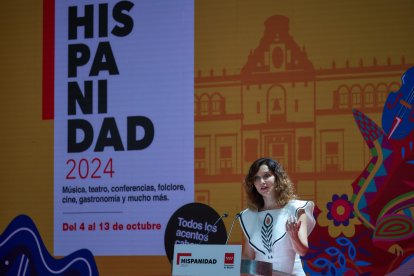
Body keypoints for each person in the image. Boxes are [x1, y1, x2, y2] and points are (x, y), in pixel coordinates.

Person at [239, 157, 315, 275]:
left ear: (278, 178)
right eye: (256, 178)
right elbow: (249, 256)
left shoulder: (297, 209)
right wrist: (224, 264)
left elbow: (303, 250)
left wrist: (294, 235)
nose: (262, 182)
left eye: (266, 175)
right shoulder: (249, 216)